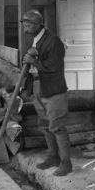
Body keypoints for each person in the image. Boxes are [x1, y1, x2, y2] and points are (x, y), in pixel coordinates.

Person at [20, 9, 72, 176]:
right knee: (45, 125)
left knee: (57, 127)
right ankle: (53, 157)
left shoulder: (53, 41)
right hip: (39, 88)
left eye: (28, 23)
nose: (24, 26)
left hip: (54, 91)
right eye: (23, 23)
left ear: (38, 25)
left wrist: (33, 60)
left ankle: (66, 163)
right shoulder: (36, 40)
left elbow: (54, 67)